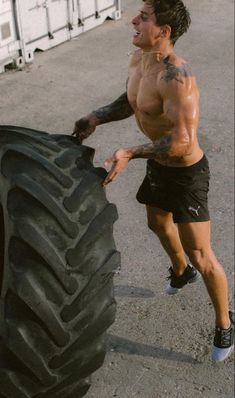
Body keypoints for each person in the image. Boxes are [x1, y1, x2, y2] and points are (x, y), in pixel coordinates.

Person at [73, 0, 234, 362]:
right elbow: (133, 101)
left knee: (202, 253)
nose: (133, 20)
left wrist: (128, 151)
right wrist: (96, 117)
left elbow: (182, 142)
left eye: (143, 18)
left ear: (164, 30)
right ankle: (181, 273)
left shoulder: (178, 77)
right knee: (157, 223)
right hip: (158, 164)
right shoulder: (140, 60)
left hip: (186, 172)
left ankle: (225, 321)